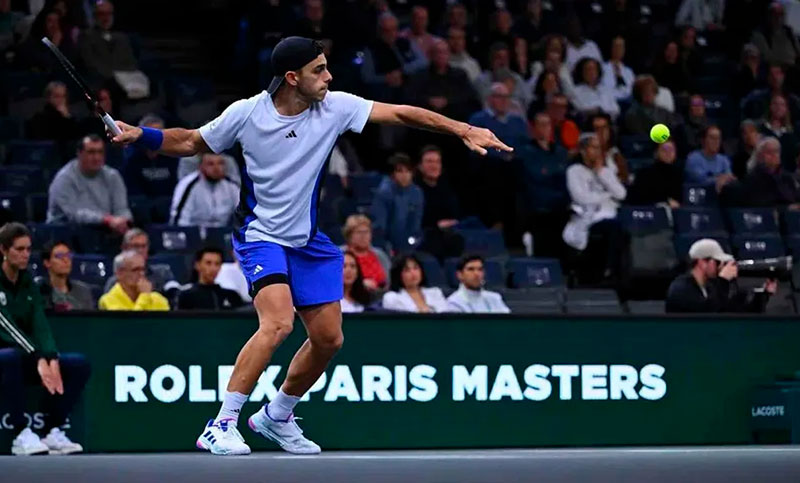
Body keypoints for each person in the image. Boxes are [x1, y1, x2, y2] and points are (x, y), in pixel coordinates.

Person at [110, 36, 510, 456]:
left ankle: (276, 416)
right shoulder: (246, 114)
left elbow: (401, 113)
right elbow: (191, 141)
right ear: (291, 77)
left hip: (307, 240)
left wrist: (463, 129)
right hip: (260, 235)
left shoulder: (335, 107)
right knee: (278, 323)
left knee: (328, 338)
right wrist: (141, 135)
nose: (328, 76)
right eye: (319, 70)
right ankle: (221, 423)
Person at [0, 223, 89, 455]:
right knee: (9, 357)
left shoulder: (29, 281)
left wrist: (50, 356)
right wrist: (38, 356)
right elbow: (7, 326)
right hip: (6, 356)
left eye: (28, 249)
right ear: (3, 250)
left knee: (78, 364)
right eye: (19, 249)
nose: (25, 255)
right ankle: (20, 433)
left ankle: (53, 430)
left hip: (26, 355)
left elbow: (40, 323)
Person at [563, 134, 627, 282]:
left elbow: (621, 194)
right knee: (614, 229)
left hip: (609, 216)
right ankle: (607, 272)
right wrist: (607, 197)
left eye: (599, 148)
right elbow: (581, 198)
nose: (598, 152)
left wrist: (601, 173)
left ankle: (615, 274)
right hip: (588, 217)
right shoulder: (574, 171)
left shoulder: (605, 171)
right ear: (584, 150)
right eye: (594, 148)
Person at [46, 135, 132, 235]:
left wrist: (123, 221)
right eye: (91, 152)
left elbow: (121, 209)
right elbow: (74, 214)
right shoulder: (64, 178)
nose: (96, 157)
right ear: (79, 154)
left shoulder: (113, 176)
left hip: (105, 230)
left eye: (100, 152)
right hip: (67, 232)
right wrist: (106, 220)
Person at [666, 238, 776, 313]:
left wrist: (763, 295)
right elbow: (706, 312)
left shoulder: (710, 287)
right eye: (717, 262)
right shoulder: (681, 288)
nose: (720, 267)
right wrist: (722, 280)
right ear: (702, 263)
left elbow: (732, 312)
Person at [405, 39, 479, 121]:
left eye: (444, 52)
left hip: (454, 119)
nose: (441, 56)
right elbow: (410, 97)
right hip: (426, 120)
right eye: (438, 52)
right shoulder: (419, 76)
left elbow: (469, 96)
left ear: (449, 54)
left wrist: (447, 101)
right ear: (430, 55)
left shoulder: (459, 75)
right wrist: (429, 101)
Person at [361, 12, 428, 102]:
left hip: (408, 84)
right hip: (385, 90)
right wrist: (387, 78)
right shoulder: (371, 49)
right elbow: (367, 76)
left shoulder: (406, 42)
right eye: (386, 31)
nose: (391, 34)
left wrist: (402, 71)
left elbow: (423, 61)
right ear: (380, 31)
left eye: (393, 29)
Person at [370, 153, 425, 253]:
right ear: (392, 174)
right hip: (387, 246)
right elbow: (380, 227)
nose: (404, 175)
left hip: (408, 245)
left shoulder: (417, 193)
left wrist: (412, 244)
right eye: (400, 171)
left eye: (408, 171)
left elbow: (415, 224)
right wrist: (387, 247)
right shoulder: (384, 193)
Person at [77, 0, 141, 88]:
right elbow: (90, 64)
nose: (106, 18)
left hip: (124, 83)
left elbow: (131, 63)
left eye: (109, 14)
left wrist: (122, 76)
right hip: (99, 84)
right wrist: (113, 76)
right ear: (95, 16)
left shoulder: (122, 38)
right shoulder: (86, 37)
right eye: (102, 14)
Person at [170, 152, 240, 228]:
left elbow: (243, 213)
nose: (216, 168)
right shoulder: (189, 185)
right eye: (210, 164)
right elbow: (180, 220)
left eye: (220, 163)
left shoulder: (232, 186)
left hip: (222, 234)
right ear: (201, 167)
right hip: (194, 233)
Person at [102, 229, 178, 295]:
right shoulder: (115, 282)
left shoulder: (162, 274)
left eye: (143, 246)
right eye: (136, 246)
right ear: (124, 248)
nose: (140, 250)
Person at [122, 114, 179, 198]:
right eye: (151, 134)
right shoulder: (133, 161)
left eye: (158, 133)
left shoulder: (173, 158)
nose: (154, 138)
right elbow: (133, 193)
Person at [468, 82, 528, 157]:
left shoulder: (517, 121)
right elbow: (477, 147)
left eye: (507, 97)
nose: (504, 100)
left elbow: (525, 144)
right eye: (499, 97)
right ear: (490, 99)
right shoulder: (478, 120)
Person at [26, 81, 82, 160]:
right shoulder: (39, 118)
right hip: (47, 157)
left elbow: (75, 141)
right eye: (57, 96)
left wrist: (67, 117)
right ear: (48, 98)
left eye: (63, 96)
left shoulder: (70, 119)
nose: (61, 100)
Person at [98, 250, 170, 311]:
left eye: (143, 269)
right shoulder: (108, 301)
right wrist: (144, 296)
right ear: (119, 273)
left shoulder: (158, 299)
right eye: (136, 270)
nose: (141, 274)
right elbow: (131, 325)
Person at [177, 247, 244, 311]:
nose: (213, 268)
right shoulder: (186, 296)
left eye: (217, 264)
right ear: (197, 265)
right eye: (208, 263)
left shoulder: (232, 296)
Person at [740, 137, 800, 208]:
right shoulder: (754, 178)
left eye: (776, 151)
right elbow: (759, 204)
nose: (774, 155)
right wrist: (787, 208)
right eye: (769, 152)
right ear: (759, 156)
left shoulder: (787, 177)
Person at [36, 240, 94, 312]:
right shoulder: (38, 292)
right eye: (59, 256)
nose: (66, 260)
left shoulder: (83, 292)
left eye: (68, 255)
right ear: (47, 262)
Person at [381, 254, 448, 313]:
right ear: (398, 275)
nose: (413, 273)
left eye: (416, 268)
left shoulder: (435, 293)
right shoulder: (392, 298)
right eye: (407, 270)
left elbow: (446, 317)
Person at [626, 140, 683, 208]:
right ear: (656, 152)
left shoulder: (679, 174)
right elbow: (638, 198)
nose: (668, 153)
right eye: (664, 150)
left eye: (671, 150)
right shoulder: (645, 174)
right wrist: (665, 201)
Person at [341, 215, 390, 292]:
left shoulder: (380, 255)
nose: (363, 236)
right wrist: (361, 284)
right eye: (359, 232)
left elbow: (390, 281)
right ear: (349, 235)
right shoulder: (339, 254)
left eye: (366, 232)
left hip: (380, 298)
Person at [758, 93, 800, 173]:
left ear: (786, 109)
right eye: (775, 104)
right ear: (770, 107)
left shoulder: (792, 134)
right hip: (765, 174)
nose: (778, 108)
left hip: (788, 175)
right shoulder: (762, 129)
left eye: (782, 105)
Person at [750, 2, 800, 67]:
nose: (778, 18)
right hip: (771, 70)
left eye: (780, 14)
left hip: (792, 70)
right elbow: (766, 57)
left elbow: (798, 51)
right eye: (774, 14)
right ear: (768, 16)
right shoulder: (759, 34)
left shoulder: (789, 32)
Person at [601, 36, 635, 101]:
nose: (618, 49)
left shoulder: (629, 71)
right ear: (611, 48)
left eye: (621, 47)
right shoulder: (603, 68)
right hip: (609, 102)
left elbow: (632, 90)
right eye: (616, 46)